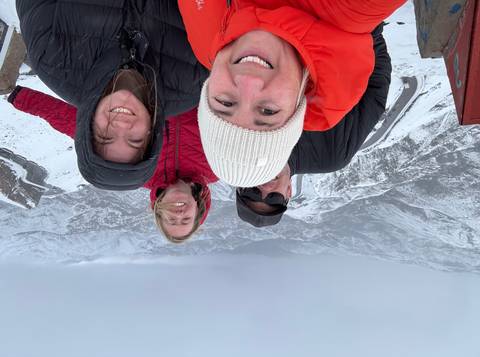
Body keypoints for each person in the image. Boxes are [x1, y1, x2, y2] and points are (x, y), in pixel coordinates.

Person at [177, 0, 406, 188]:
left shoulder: (205, 43)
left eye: (225, 103)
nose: (249, 81)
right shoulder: (356, 6)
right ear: (298, 103)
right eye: (268, 111)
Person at [16, 0, 208, 190]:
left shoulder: (53, 57)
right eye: (135, 140)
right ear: (152, 136)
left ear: (87, 127)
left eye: (105, 137)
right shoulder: (191, 83)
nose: (122, 126)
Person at [8, 89, 217, 242]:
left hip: (144, 71)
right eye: (186, 219)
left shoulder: (136, 171)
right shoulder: (217, 167)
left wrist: (20, 97)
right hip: (197, 68)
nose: (179, 215)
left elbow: (76, 125)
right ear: (197, 208)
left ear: (159, 209)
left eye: (171, 220)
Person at [235, 24, 392, 227]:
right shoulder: (331, 155)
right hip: (341, 27)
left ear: (240, 183)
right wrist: (370, 33)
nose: (265, 188)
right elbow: (375, 93)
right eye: (274, 198)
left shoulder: (237, 132)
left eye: (252, 192)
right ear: (288, 193)